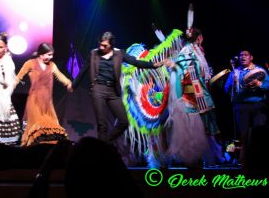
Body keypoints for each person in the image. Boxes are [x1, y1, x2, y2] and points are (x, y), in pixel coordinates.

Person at [72, 31, 163, 143]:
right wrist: (73, 85)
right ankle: (102, 150)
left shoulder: (119, 53)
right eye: (100, 44)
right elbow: (83, 70)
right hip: (98, 89)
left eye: (104, 45)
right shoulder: (94, 53)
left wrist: (153, 65)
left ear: (111, 45)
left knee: (124, 121)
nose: (101, 47)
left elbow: (135, 62)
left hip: (112, 91)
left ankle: (105, 143)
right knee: (102, 124)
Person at [165, 27, 224, 167]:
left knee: (204, 125)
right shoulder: (187, 51)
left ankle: (202, 157)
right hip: (192, 94)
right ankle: (193, 158)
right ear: (199, 38)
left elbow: (201, 72)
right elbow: (186, 73)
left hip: (199, 91)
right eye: (201, 37)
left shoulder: (196, 50)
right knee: (195, 126)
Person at [14, 42, 72, 146]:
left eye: (52, 55)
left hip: (47, 102)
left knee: (52, 125)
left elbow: (60, 76)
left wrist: (68, 83)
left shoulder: (52, 65)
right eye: (49, 54)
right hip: (34, 101)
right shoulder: (30, 63)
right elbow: (18, 77)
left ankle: (46, 150)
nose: (51, 57)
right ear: (41, 54)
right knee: (38, 125)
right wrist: (10, 87)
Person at [224, 49, 269, 164]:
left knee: (258, 133)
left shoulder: (259, 70)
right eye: (241, 55)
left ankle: (260, 160)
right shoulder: (235, 72)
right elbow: (226, 89)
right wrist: (233, 83)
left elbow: (268, 85)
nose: (243, 57)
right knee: (244, 135)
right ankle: (244, 161)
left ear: (251, 57)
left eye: (246, 55)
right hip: (241, 107)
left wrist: (259, 84)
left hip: (258, 106)